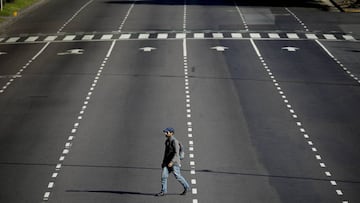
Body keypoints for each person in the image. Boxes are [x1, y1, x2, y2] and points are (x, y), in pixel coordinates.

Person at [155, 127, 190, 196]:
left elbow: (176, 153)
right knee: (163, 176)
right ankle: (163, 191)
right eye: (165, 132)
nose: (165, 133)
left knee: (178, 177)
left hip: (174, 163)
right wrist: (164, 162)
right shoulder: (167, 141)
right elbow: (166, 153)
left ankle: (187, 187)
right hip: (167, 163)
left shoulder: (174, 141)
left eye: (167, 132)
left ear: (171, 133)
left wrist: (172, 162)